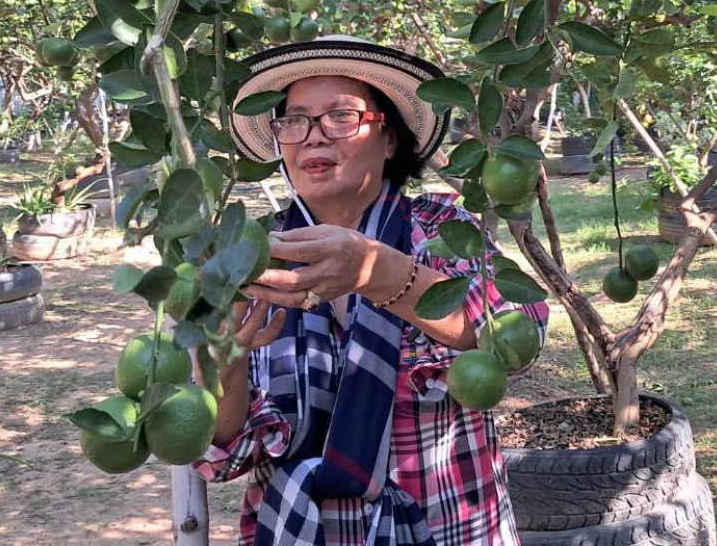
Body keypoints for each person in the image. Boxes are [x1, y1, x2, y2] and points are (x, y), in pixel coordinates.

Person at [197, 36, 549, 546]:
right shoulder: (253, 258)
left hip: (448, 525)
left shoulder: (442, 231)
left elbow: (517, 339)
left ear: (389, 140)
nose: (313, 137)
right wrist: (224, 360)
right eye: (294, 121)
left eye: (341, 116)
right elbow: (228, 452)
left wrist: (375, 272)